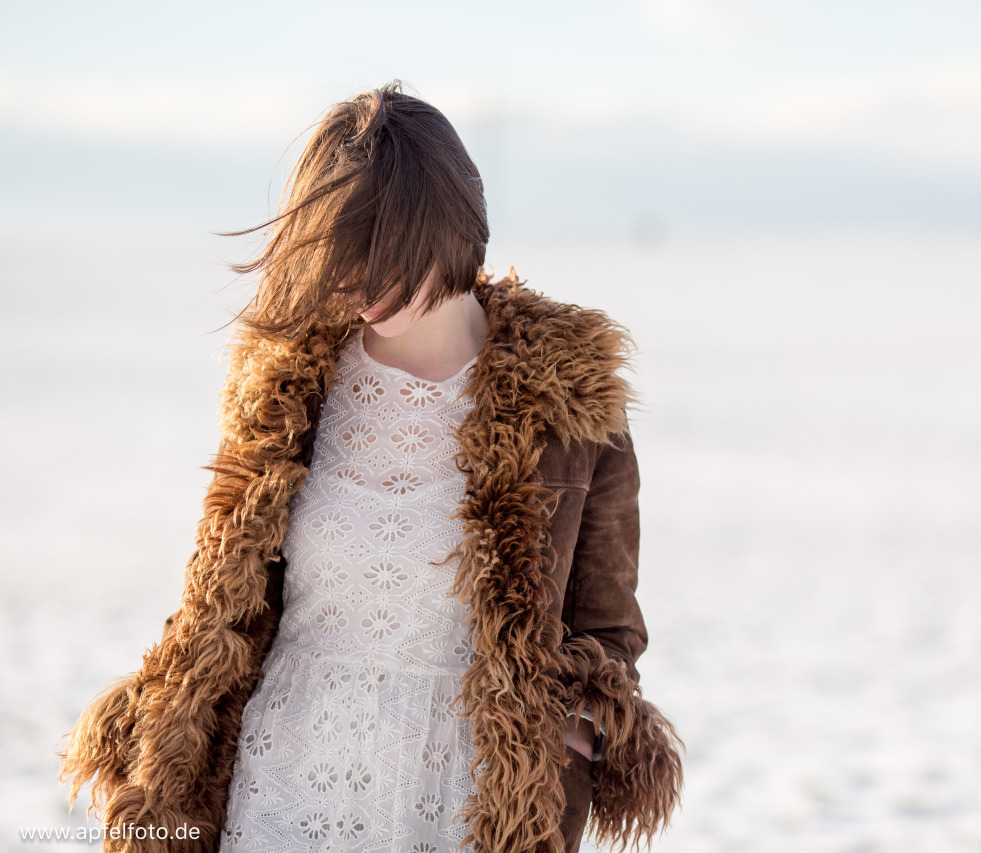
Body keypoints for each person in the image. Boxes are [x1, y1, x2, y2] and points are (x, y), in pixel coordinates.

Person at [56, 80, 683, 853]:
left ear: (448, 228)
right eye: (344, 257)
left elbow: (609, 625)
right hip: (283, 781)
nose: (361, 284)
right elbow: (214, 598)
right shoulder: (283, 385)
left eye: (385, 255)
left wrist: (572, 740)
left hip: (457, 799)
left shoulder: (568, 404)